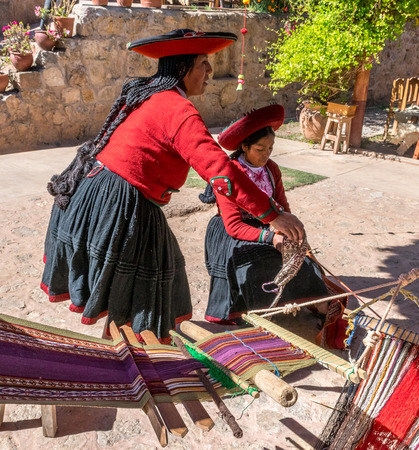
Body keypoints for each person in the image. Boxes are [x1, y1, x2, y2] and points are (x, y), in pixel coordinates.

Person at [40, 29, 305, 343]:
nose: (210, 72)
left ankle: (125, 353)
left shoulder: (154, 96)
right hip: (121, 202)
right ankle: (136, 360)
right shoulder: (178, 110)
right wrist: (271, 214)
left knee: (144, 284)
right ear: (183, 68)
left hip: (105, 194)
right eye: (203, 63)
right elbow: (219, 170)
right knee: (148, 289)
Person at [201, 104, 330, 324]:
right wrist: (272, 238)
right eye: (260, 149)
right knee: (255, 265)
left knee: (302, 262)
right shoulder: (228, 174)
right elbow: (233, 225)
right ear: (244, 146)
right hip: (234, 232)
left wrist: (290, 233)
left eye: (270, 148)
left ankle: (318, 304)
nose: (266, 155)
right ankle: (258, 313)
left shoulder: (272, 170)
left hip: (268, 227)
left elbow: (282, 208)